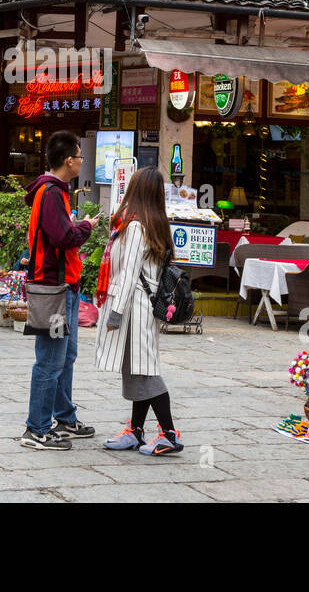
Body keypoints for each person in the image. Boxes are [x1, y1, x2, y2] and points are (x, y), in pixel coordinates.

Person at [95, 167, 183, 456]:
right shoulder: (156, 224)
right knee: (138, 370)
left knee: (146, 372)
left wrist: (116, 313)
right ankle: (135, 430)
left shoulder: (135, 227)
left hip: (134, 308)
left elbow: (129, 273)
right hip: (144, 308)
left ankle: (169, 434)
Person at [20, 131, 95, 450]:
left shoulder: (55, 191)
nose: (81, 161)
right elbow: (62, 236)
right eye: (80, 156)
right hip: (53, 289)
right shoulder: (50, 193)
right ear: (69, 160)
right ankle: (36, 428)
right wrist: (86, 227)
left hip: (65, 286)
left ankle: (64, 416)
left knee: (66, 356)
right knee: (51, 359)